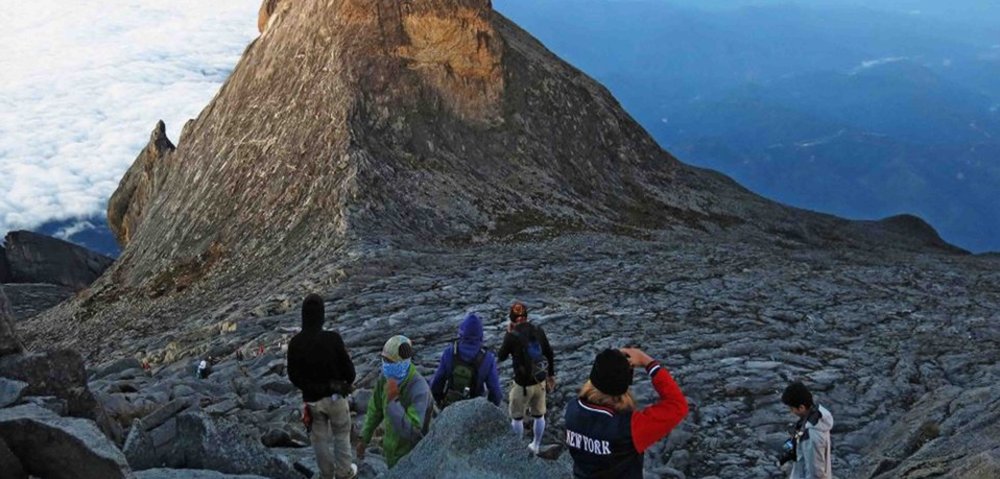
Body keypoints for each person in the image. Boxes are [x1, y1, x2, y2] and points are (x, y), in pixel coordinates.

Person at [564, 348, 688, 478]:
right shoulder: (629, 428)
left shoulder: (572, 409)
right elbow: (678, 405)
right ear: (626, 383)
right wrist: (648, 362)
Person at [287, 294, 357, 479]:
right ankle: (344, 472)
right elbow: (349, 371)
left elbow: (293, 376)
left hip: (312, 401)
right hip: (336, 397)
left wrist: (309, 387)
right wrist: (343, 383)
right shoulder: (332, 339)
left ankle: (326, 475)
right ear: (322, 315)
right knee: (342, 434)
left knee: (319, 439)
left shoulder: (296, 343)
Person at [358, 335, 433, 468]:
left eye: (391, 362)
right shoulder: (385, 377)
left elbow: (413, 431)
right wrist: (364, 437)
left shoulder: (419, 389)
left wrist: (393, 401)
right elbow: (375, 409)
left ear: (404, 362)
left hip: (412, 458)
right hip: (390, 454)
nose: (386, 365)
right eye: (384, 360)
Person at [497, 301, 556, 454]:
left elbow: (501, 356)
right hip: (539, 381)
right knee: (539, 415)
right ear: (526, 316)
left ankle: (518, 450)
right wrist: (551, 375)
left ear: (512, 319)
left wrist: (507, 334)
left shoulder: (512, 336)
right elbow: (549, 353)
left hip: (521, 384)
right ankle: (536, 445)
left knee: (516, 417)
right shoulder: (538, 330)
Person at [429, 312, 503, 408]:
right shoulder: (488, 358)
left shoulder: (449, 352)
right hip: (475, 407)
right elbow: (495, 392)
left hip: (450, 405)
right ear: (480, 335)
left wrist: (439, 401)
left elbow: (437, 383)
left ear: (461, 332)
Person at [781, 382, 833, 479]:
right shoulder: (818, 415)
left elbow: (815, 473)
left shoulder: (811, 436)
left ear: (801, 407)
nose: (791, 411)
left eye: (792, 408)